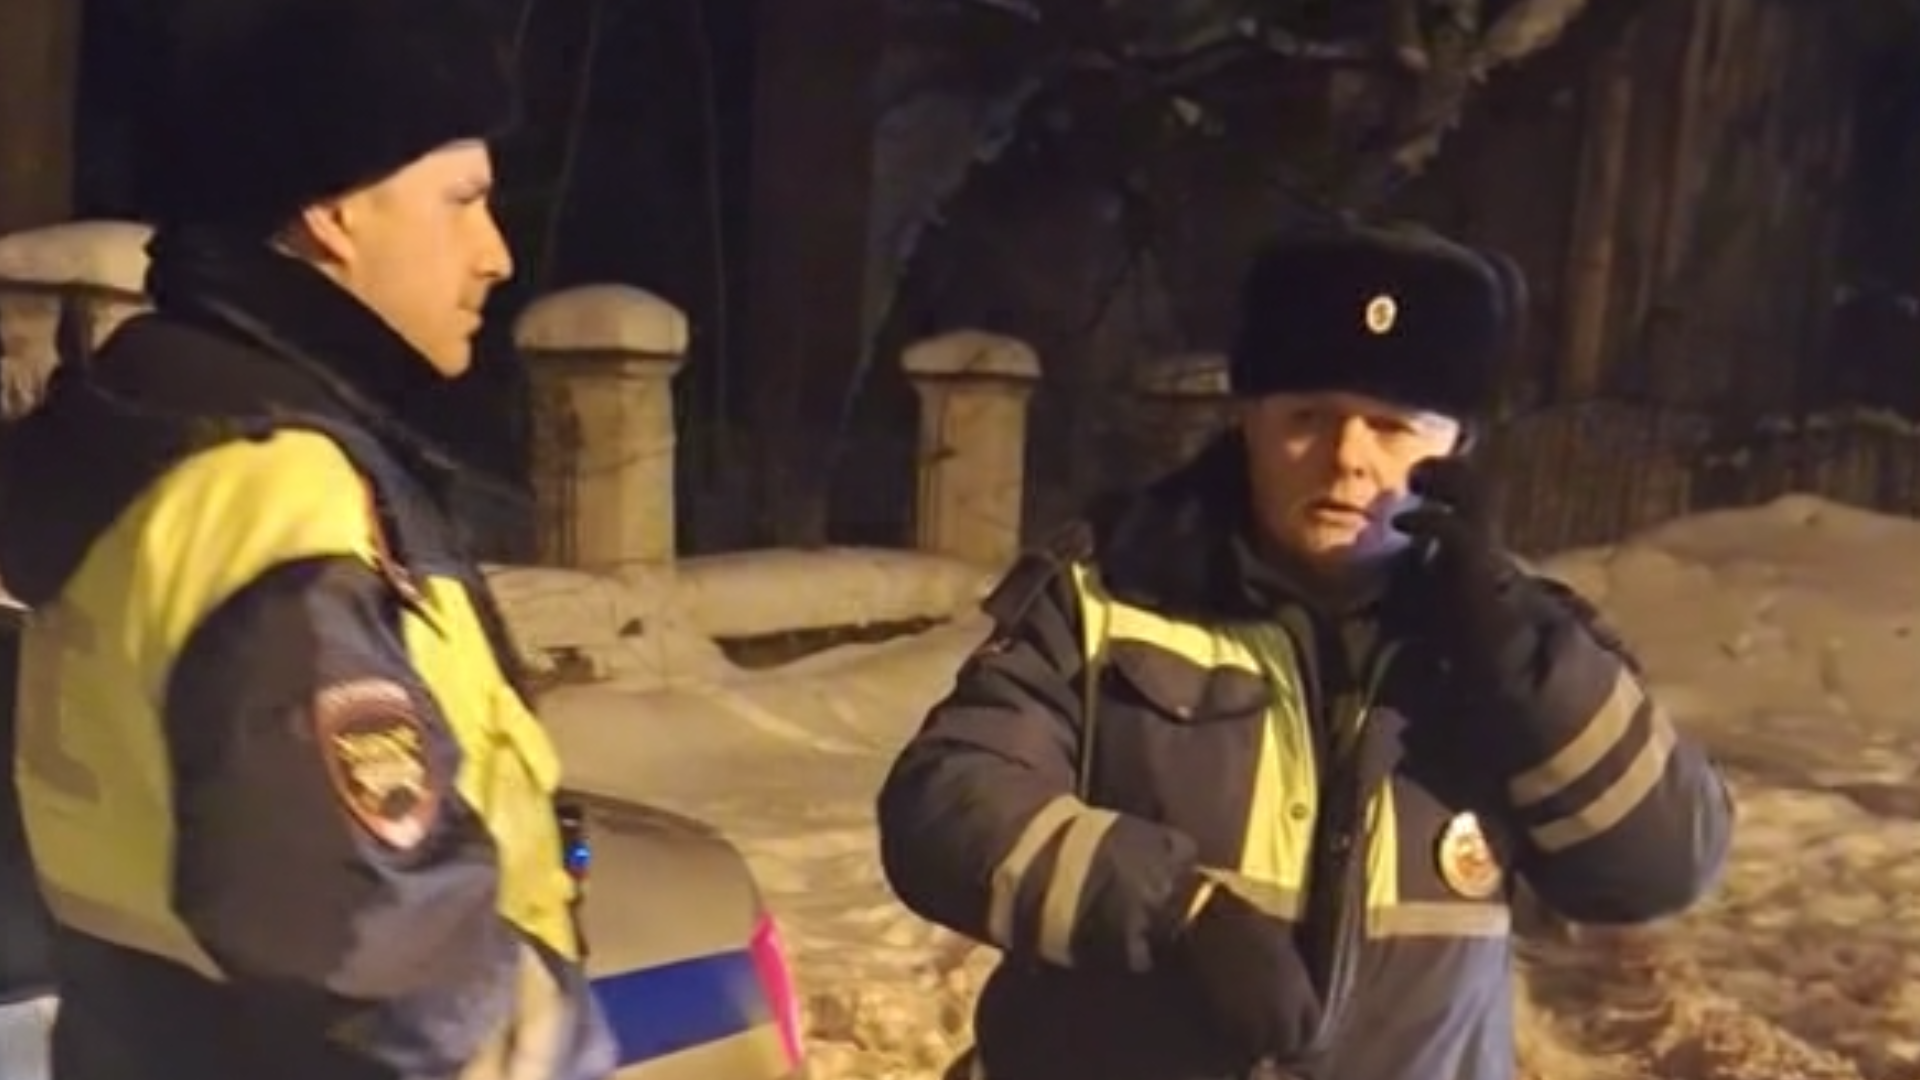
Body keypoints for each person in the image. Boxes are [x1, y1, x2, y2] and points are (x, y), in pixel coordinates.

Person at [875, 220, 1734, 1080]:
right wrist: (1174, 908)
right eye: (1307, 417)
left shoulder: (1521, 643)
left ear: (1457, 444)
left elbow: (1662, 866)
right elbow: (947, 805)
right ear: (1248, 418)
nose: (1346, 458)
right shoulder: (1109, 592)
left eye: (1391, 426)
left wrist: (1525, 662)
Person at [0, 1, 616, 1078]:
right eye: (462, 201)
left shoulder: (172, 449)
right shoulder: (271, 500)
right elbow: (368, 941)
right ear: (334, 214)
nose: (496, 254)